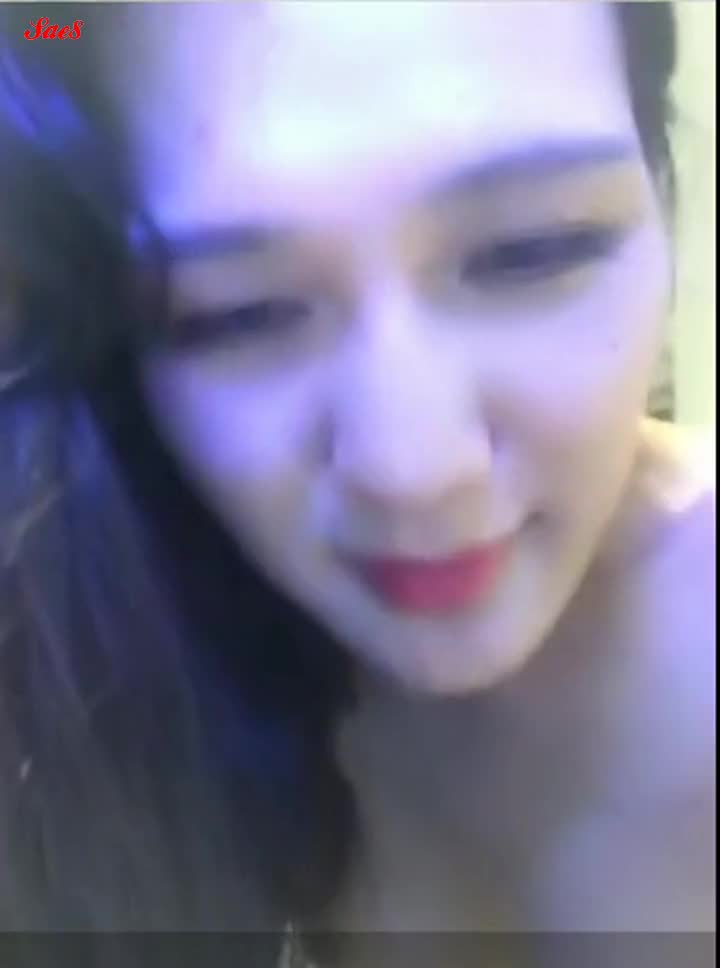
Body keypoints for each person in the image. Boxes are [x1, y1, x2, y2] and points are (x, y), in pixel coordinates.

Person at [0, 2, 714, 965]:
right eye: (240, 313)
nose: (413, 472)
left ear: (663, 204)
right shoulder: (76, 655)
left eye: (529, 251)